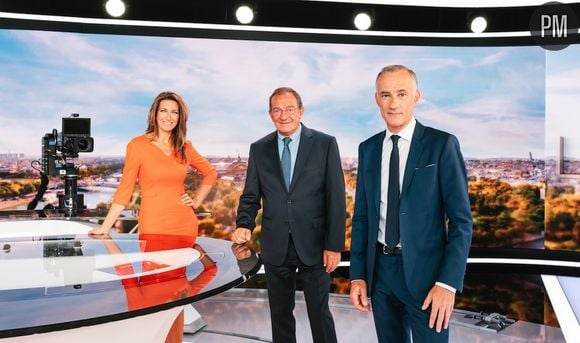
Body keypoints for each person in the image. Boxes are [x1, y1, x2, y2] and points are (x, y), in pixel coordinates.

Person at [349, 65, 472, 343]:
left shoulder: (441, 145)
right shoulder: (367, 149)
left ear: (416, 97)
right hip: (380, 276)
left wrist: (447, 283)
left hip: (429, 279)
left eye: (401, 93)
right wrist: (358, 275)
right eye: (386, 95)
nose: (393, 103)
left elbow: (461, 222)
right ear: (376, 99)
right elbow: (362, 217)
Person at [89, 91, 217, 342]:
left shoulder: (185, 147)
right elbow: (124, 190)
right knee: (148, 293)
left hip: (183, 226)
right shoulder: (137, 145)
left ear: (180, 117)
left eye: (174, 112)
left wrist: (197, 200)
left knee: (176, 291)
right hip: (154, 227)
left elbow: (210, 173)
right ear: (154, 114)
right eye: (164, 111)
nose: (168, 116)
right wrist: (104, 228)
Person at [232, 87, 346, 343]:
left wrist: (334, 245)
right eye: (277, 109)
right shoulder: (259, 148)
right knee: (280, 315)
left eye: (290, 108)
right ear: (270, 114)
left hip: (315, 246)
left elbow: (336, 199)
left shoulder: (325, 143)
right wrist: (244, 223)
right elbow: (251, 196)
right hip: (276, 244)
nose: (284, 115)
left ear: (301, 111)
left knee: (319, 313)